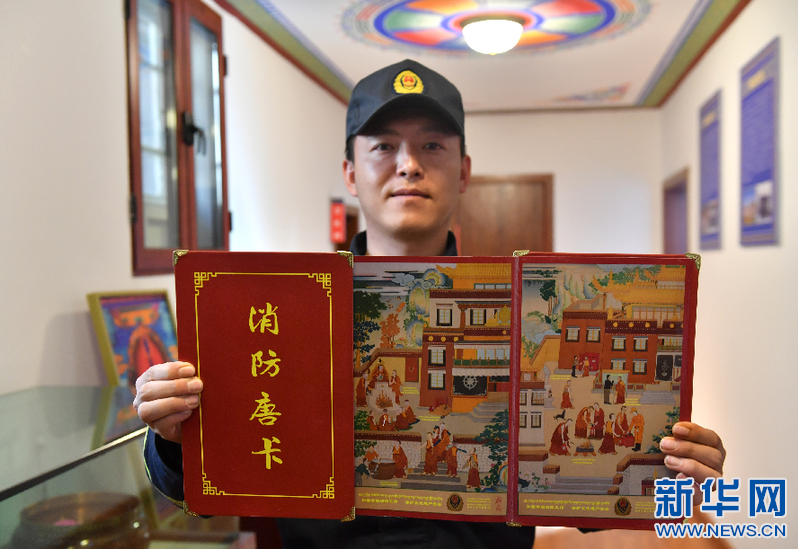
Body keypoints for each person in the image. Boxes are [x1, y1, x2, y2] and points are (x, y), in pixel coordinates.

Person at [133, 59, 726, 548]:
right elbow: (199, 489)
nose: (409, 164)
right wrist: (174, 434)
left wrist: (668, 476)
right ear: (350, 172)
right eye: (384, 146)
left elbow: (586, 493)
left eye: (432, 145)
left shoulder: (523, 314)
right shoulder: (285, 312)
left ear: (463, 171)